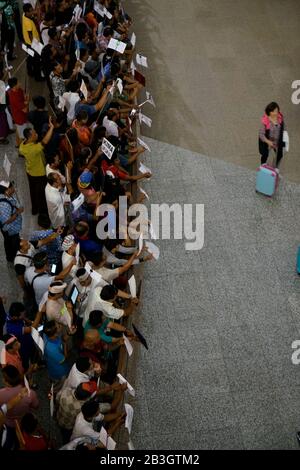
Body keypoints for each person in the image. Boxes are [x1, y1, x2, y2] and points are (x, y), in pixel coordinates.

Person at [19, 119, 55, 215]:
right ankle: (42, 211)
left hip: (29, 171)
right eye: (35, 134)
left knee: (33, 192)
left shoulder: (23, 145)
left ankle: (34, 209)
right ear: (30, 137)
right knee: (41, 194)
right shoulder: (33, 149)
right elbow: (45, 141)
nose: (37, 134)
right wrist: (52, 127)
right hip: (38, 173)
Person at [0, 365, 39, 449]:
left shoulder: (1, 394)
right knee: (21, 439)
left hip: (8, 423)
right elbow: (36, 406)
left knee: (8, 439)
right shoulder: (30, 393)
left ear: (7, 382)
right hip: (23, 421)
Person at [259, 102, 286, 171]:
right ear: (269, 112)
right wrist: (268, 142)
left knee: (279, 155)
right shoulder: (265, 121)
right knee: (265, 154)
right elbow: (261, 134)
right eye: (273, 111)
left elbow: (283, 128)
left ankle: (275, 168)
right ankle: (263, 164)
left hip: (278, 141)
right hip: (268, 142)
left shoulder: (280, 118)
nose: (276, 113)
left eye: (277, 111)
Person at [43, 320, 71, 389]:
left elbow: (61, 339)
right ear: (55, 334)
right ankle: (54, 392)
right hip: (59, 371)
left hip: (52, 363)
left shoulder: (47, 334)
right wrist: (65, 344)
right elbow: (64, 359)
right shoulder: (52, 349)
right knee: (61, 384)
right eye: (59, 326)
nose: (60, 325)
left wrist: (69, 334)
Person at [0, 181, 23, 262]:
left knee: (9, 242)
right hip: (10, 229)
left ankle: (11, 256)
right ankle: (13, 258)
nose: (14, 188)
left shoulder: (8, 195)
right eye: (12, 187)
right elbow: (7, 221)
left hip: (13, 227)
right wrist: (18, 212)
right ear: (7, 190)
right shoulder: (3, 204)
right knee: (11, 243)